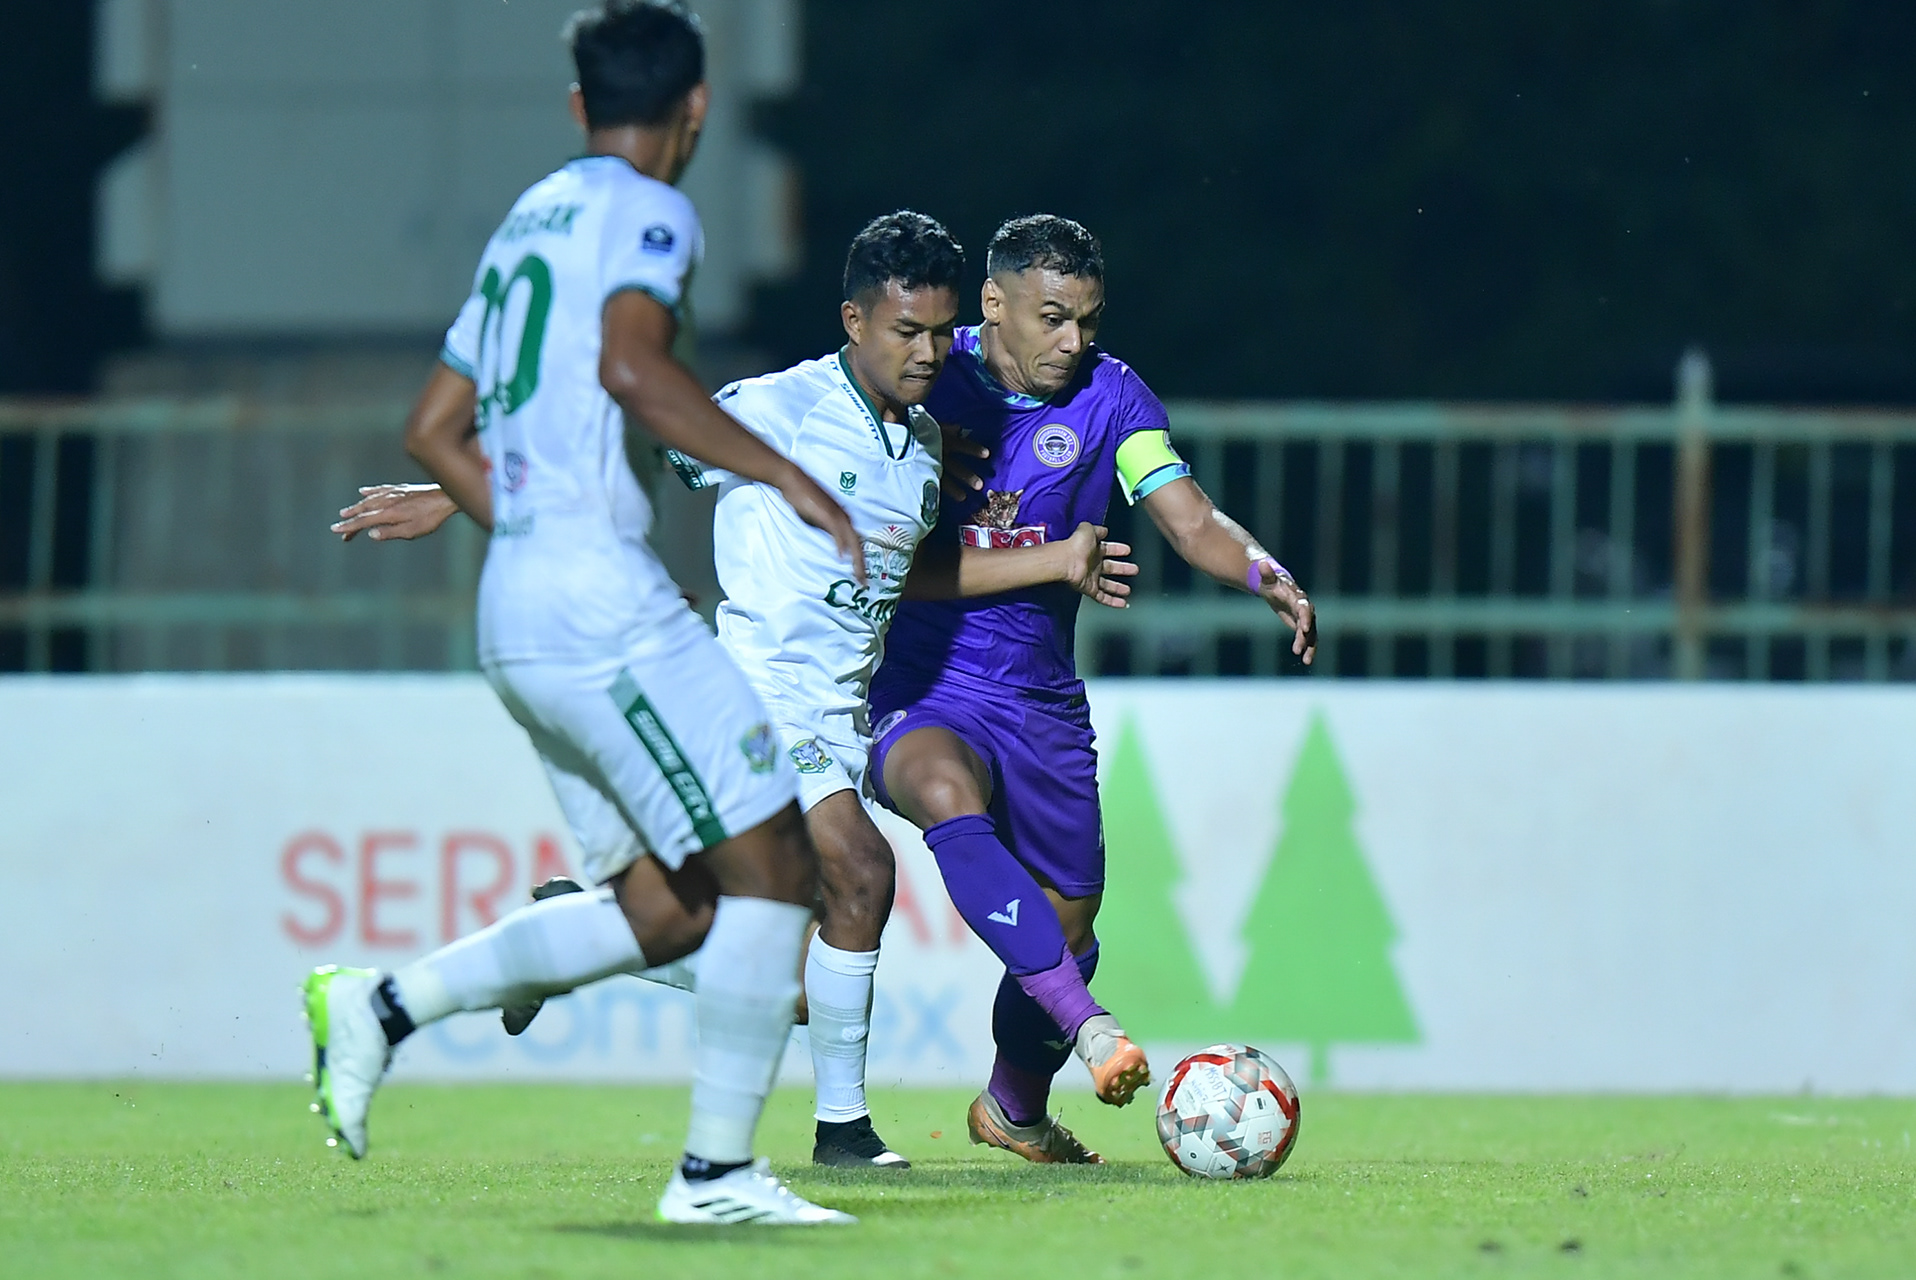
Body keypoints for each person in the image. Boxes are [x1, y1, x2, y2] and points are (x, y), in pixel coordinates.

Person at [335, 211, 1137, 1169]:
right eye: (904, 332)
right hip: (755, 695)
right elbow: (622, 450)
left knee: (793, 976)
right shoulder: (778, 407)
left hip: (836, 713)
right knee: (864, 871)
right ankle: (843, 1134)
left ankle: (559, 936)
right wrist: (449, 493)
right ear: (854, 321)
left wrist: (1043, 556)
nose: (927, 354)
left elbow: (918, 573)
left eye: (937, 332)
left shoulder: (927, 443)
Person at [302, 1, 862, 1226]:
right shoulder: (651, 210)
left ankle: (381, 1006)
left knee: (670, 906)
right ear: (697, 107)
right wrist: (785, 472)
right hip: (602, 604)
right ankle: (717, 1174)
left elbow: (432, 429)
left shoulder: (528, 219)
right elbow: (630, 366)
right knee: (778, 863)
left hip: (516, 607)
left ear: (577, 106)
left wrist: (533, 525)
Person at [869, 213, 1318, 1165]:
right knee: (943, 789)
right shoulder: (925, 374)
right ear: (994, 304)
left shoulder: (1112, 399)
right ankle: (1091, 1028)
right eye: (1053, 318)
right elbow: (879, 549)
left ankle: (1013, 1110)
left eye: (1089, 320)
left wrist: (1260, 568)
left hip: (1040, 701)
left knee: (1068, 926)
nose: (1073, 340)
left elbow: (1189, 517)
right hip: (927, 680)